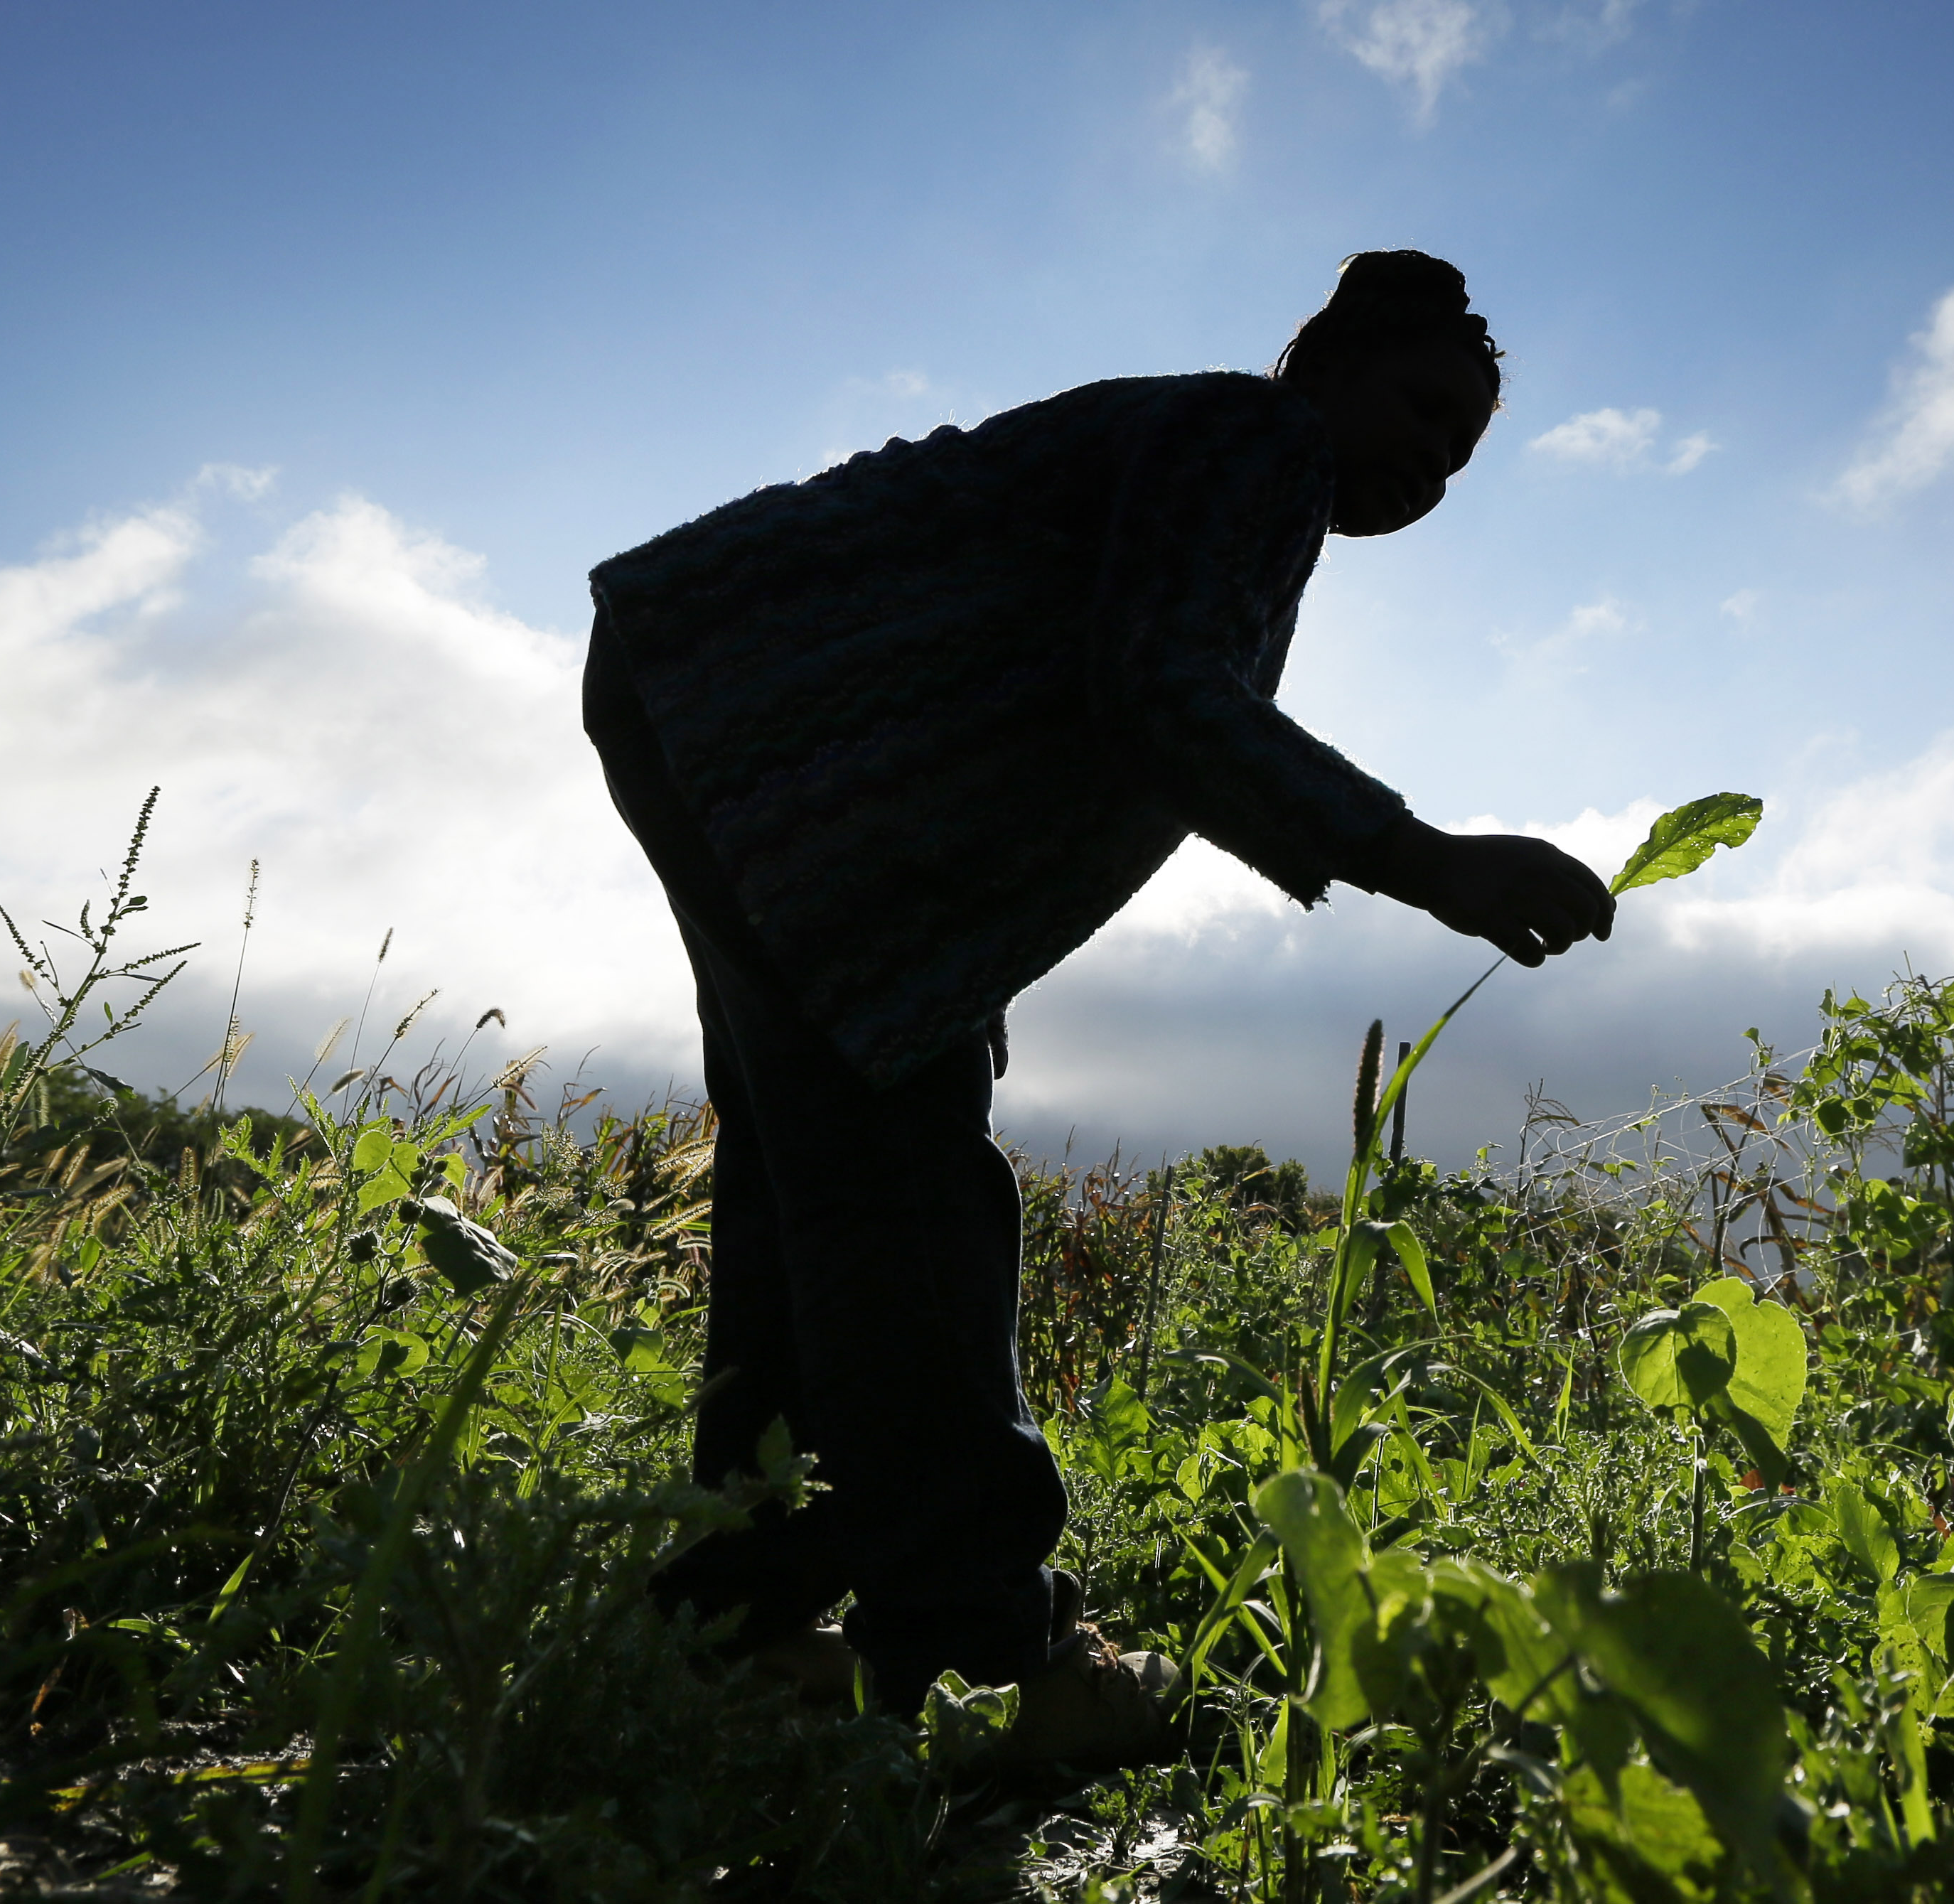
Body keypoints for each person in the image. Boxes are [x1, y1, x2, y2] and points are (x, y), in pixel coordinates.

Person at [583, 250, 1615, 1774]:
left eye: (1459, 458)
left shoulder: (1211, 455)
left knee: (816, 1161)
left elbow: (1103, 694)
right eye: (1419, 409)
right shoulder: (1253, 443)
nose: (1429, 465)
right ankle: (991, 1646)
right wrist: (1426, 857)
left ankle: (739, 1616)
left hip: (712, 701)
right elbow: (1163, 690)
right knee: (899, 1172)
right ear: (1318, 362)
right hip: (767, 733)